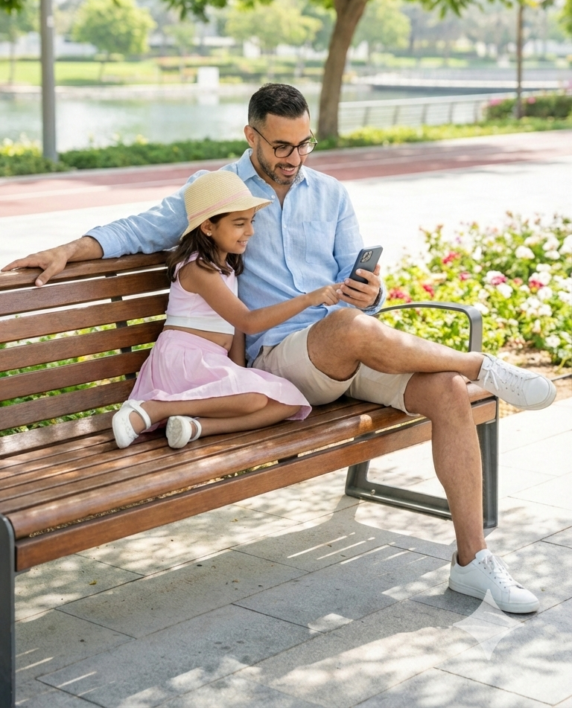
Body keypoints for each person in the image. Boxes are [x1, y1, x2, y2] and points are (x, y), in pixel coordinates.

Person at [3, 83, 556, 614]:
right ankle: (485, 366)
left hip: (345, 346)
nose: (295, 157)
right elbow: (139, 229)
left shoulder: (332, 194)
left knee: (449, 393)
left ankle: (472, 558)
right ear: (251, 136)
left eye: (305, 143)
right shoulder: (218, 191)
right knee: (350, 326)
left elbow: (358, 288)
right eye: (282, 146)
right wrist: (69, 248)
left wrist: (372, 290)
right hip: (279, 364)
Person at [113, 170, 337, 449]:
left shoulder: (227, 268)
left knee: (288, 402)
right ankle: (155, 408)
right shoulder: (198, 268)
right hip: (184, 361)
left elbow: (235, 326)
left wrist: (238, 371)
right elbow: (248, 321)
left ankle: (195, 427)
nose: (251, 231)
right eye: (240, 223)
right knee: (254, 399)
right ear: (208, 227)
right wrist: (307, 299)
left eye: (251, 221)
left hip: (210, 363)